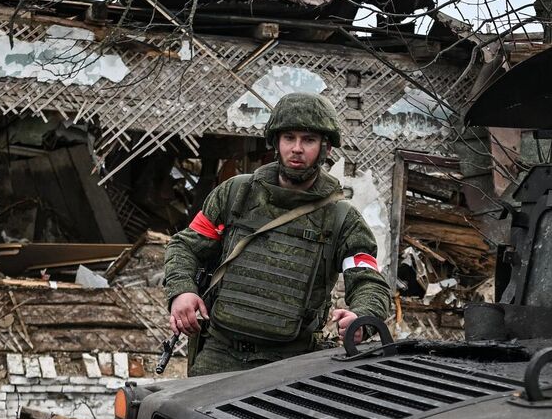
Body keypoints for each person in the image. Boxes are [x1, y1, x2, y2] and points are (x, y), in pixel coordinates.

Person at [163, 92, 393, 375]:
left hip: (290, 364)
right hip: (219, 354)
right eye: (289, 138)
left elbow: (370, 282)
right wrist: (181, 292)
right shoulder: (236, 194)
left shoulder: (342, 219)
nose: (297, 148)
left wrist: (363, 318)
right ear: (276, 142)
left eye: (308, 140)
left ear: (326, 149)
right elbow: (185, 247)